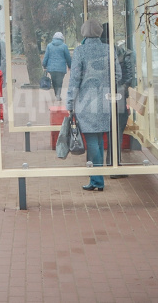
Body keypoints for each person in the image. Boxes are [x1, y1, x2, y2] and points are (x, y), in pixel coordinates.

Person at [66, 19, 121, 191]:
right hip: (105, 101)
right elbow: (117, 74)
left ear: (83, 33)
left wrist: (70, 101)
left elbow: (75, 79)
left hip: (86, 102)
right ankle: (96, 179)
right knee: (98, 140)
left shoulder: (80, 51)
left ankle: (97, 180)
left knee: (92, 141)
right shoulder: (108, 49)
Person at [100, 22, 135, 177]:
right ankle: (114, 164)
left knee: (99, 131)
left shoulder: (97, 52)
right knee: (116, 131)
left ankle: (96, 166)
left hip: (98, 98)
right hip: (117, 98)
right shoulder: (122, 52)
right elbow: (128, 77)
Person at [42, 32, 72, 99]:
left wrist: (44, 65)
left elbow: (46, 56)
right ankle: (58, 94)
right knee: (60, 81)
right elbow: (68, 57)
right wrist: (70, 65)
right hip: (61, 68)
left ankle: (56, 94)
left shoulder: (49, 46)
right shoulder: (64, 46)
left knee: (54, 81)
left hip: (51, 68)